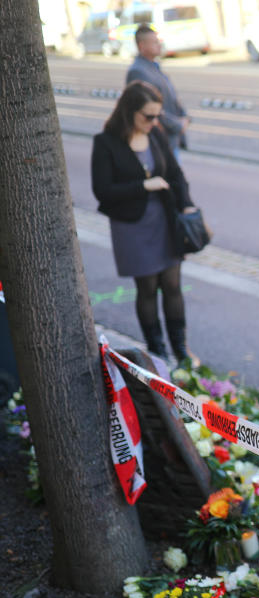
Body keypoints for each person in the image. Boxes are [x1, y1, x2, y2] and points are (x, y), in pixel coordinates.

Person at [91, 81, 197, 364]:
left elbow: (175, 173)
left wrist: (186, 204)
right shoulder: (106, 143)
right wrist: (143, 186)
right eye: (147, 116)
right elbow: (102, 190)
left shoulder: (156, 135)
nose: (153, 121)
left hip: (164, 219)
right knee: (147, 288)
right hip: (132, 225)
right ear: (129, 112)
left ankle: (181, 350)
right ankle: (158, 351)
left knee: (173, 284)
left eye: (157, 116)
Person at [125, 25, 189, 158]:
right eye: (154, 42)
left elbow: (170, 97)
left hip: (170, 140)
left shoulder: (154, 66)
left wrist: (184, 116)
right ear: (142, 46)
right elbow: (148, 109)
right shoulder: (138, 71)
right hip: (159, 142)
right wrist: (178, 124)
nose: (159, 45)